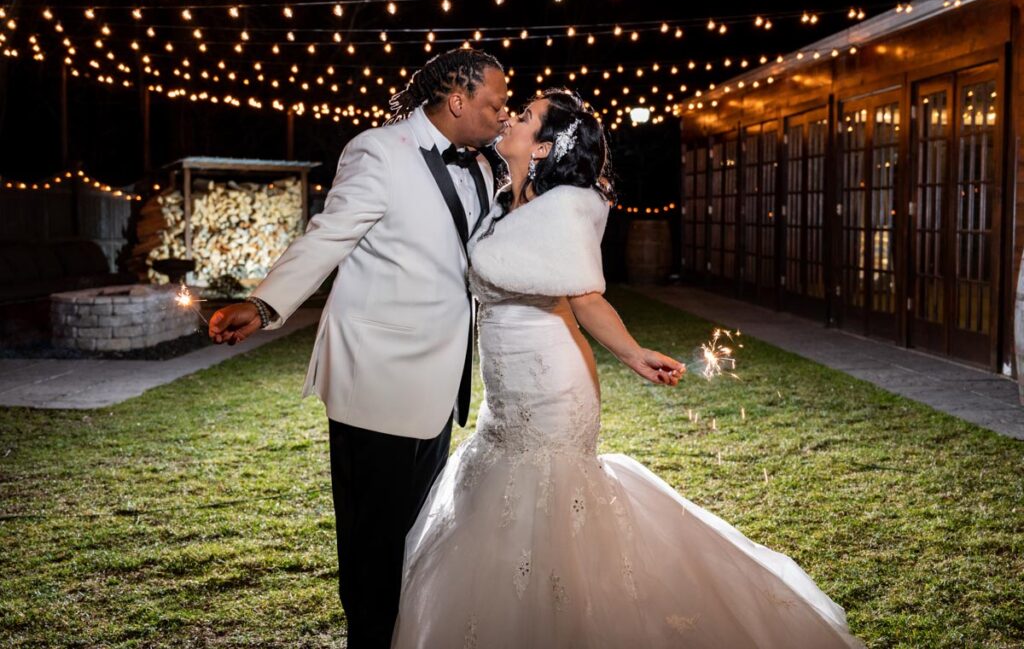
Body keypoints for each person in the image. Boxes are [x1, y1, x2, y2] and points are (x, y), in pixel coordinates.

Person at [389, 89, 866, 648]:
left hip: (551, 386)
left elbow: (587, 299)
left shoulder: (564, 209)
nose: (510, 118)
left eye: (524, 116)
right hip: (505, 391)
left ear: (542, 147)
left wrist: (633, 353)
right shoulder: (496, 199)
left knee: (549, 507)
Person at [207, 49, 510, 649]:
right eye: (495, 102)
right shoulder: (380, 150)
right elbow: (329, 235)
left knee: (416, 540)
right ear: (457, 99)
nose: (504, 113)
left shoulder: (482, 167)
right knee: (372, 551)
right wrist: (265, 304)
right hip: (376, 382)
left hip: (440, 382)